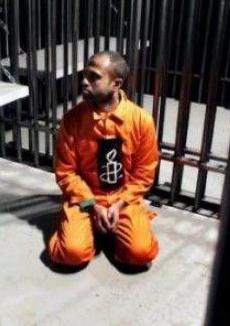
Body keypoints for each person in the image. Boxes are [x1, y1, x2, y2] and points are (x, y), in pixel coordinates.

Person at [48, 51, 159, 269]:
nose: (84, 81)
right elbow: (66, 173)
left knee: (141, 253)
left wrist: (119, 204)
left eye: (94, 77)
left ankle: (123, 224)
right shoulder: (72, 120)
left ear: (116, 84)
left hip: (124, 198)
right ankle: (82, 224)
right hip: (85, 199)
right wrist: (92, 205)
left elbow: (144, 174)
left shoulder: (141, 121)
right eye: (85, 75)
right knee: (72, 252)